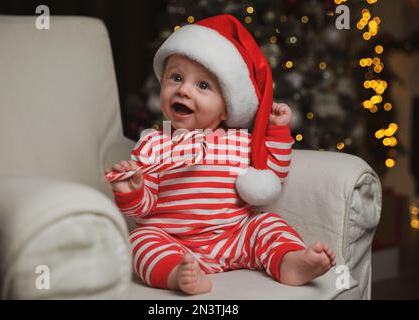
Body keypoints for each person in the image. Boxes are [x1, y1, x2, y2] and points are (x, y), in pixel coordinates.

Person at [105, 14, 336, 295]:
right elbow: (142, 207)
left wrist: (275, 131)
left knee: (266, 224)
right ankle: (178, 274)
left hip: (234, 237)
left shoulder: (240, 142)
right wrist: (131, 190)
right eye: (176, 78)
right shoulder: (153, 143)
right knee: (140, 241)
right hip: (173, 241)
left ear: (226, 108)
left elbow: (273, 171)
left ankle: (290, 262)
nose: (184, 90)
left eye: (203, 86)